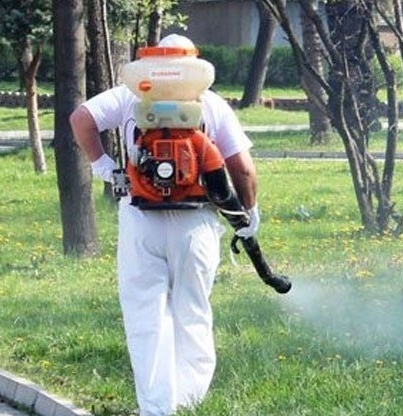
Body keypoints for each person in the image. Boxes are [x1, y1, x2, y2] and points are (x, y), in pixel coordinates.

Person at [69, 34, 261, 416]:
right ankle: (188, 404)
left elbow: (81, 119)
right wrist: (249, 212)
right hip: (196, 223)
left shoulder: (129, 95)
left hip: (141, 218)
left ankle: (156, 409)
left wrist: (103, 166)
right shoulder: (210, 103)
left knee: (146, 316)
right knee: (193, 312)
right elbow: (241, 169)